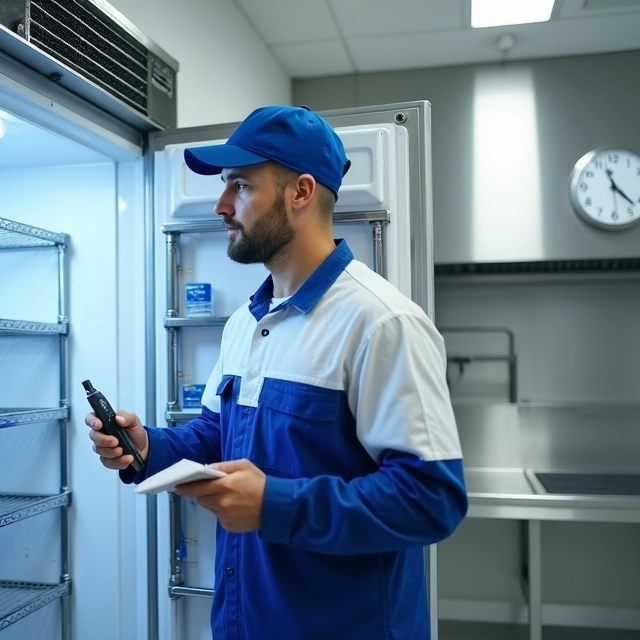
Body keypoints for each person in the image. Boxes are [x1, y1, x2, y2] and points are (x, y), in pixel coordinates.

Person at [86, 104, 468, 640]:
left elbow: (432, 500)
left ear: (302, 192)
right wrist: (149, 446)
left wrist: (275, 504)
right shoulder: (245, 323)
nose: (220, 205)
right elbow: (218, 437)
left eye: (239, 185)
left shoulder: (381, 323)